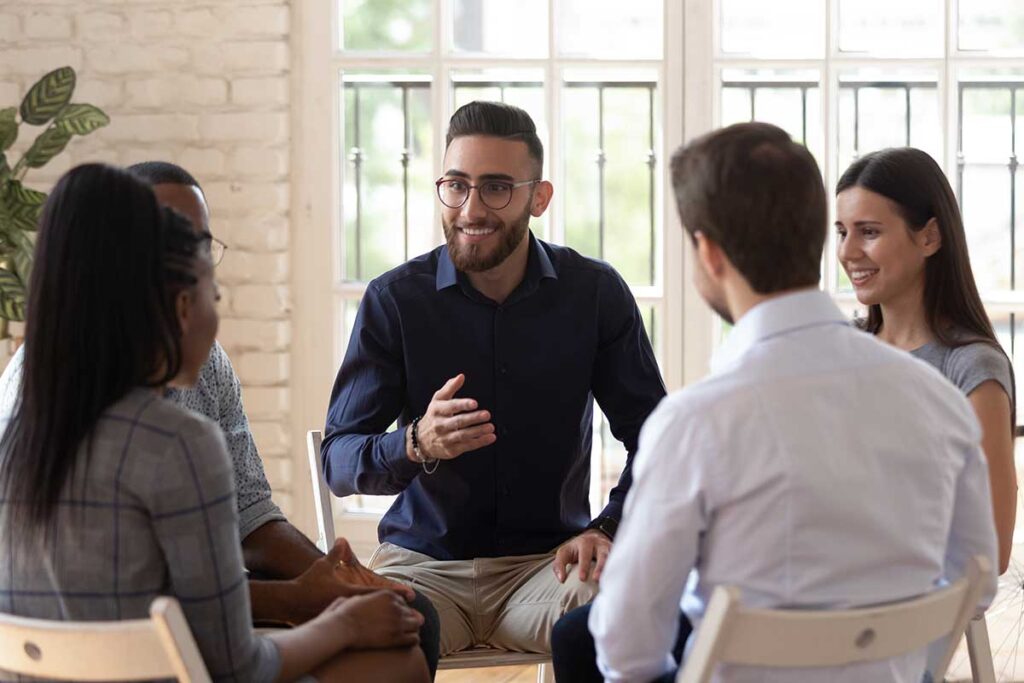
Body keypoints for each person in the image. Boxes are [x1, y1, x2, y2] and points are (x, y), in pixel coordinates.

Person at [588, 123, 998, 682]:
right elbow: (975, 580)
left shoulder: (693, 424)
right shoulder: (940, 404)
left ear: (708, 253)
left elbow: (628, 645)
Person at [0, 160, 442, 675]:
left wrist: (323, 581)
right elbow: (236, 667)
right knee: (399, 660)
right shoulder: (178, 444)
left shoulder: (22, 435)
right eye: (211, 290)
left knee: (405, 617)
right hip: (176, 655)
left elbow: (249, 514)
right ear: (179, 301)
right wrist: (328, 616)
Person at [321, 101, 666, 656]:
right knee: (374, 636)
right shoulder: (395, 301)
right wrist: (416, 443)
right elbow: (338, 460)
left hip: (547, 569)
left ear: (539, 196)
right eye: (456, 185)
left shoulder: (595, 294)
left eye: (497, 188)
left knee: (625, 610)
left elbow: (658, 439)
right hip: (423, 568)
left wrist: (607, 527)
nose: (471, 208)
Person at [836, 147, 1017, 574]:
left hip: (907, 611)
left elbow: (992, 552)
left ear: (930, 237)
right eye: (842, 231)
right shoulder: (841, 349)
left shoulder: (972, 369)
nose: (848, 251)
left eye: (869, 231)